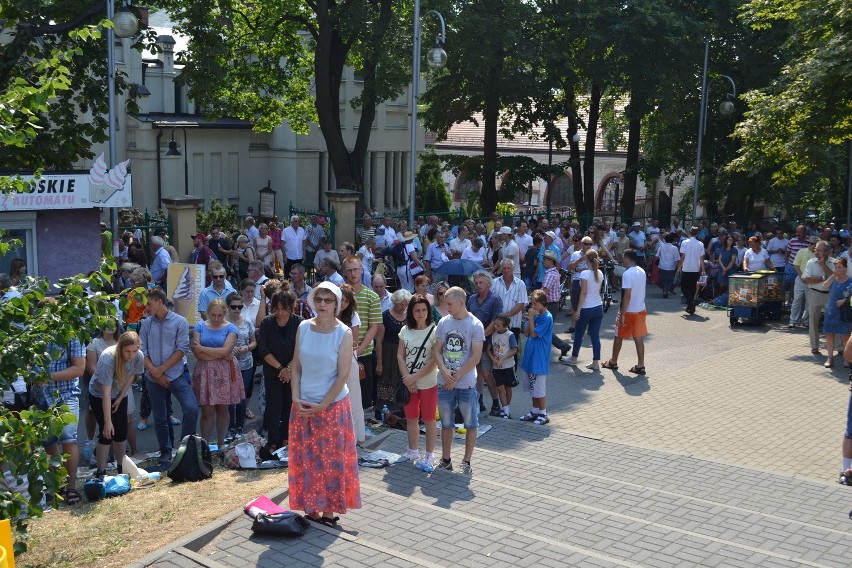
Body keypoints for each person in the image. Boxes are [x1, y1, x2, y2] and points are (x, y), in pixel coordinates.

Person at [288, 282, 361, 527]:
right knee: (308, 458)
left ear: (337, 304)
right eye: (318, 299)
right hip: (303, 406)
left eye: (328, 300)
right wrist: (295, 397)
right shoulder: (303, 328)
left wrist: (323, 405)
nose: (322, 304)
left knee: (331, 461)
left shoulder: (344, 332)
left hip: (332, 407)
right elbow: (296, 366)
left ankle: (330, 512)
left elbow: (342, 375)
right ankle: (312, 508)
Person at [140, 287, 199, 468]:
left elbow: (182, 350)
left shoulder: (179, 322)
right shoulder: (146, 323)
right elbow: (143, 351)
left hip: (176, 374)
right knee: (160, 417)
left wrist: (161, 370)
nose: (147, 307)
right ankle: (165, 451)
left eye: (149, 304)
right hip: (153, 377)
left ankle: (185, 449)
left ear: (160, 302)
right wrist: (155, 374)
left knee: (191, 409)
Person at [32, 313, 86, 504]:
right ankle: (59, 486)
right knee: (49, 444)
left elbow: (79, 369)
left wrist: (47, 377)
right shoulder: (33, 335)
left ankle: (71, 488)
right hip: (40, 397)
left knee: (68, 440)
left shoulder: (71, 334)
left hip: (65, 395)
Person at [433, 286, 484, 475]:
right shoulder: (444, 322)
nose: (446, 307)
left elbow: (476, 357)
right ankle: (446, 459)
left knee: (471, 423)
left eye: (449, 303)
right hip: (445, 382)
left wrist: (456, 376)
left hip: (466, 383)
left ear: (461, 303)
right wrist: (444, 371)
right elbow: (437, 350)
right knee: (446, 423)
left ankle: (467, 461)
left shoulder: (475, 325)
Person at [88, 331, 144, 477]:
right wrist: (107, 422)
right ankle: (101, 471)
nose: (131, 355)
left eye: (134, 351)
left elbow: (132, 375)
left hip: (119, 392)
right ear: (120, 348)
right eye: (127, 351)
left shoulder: (139, 356)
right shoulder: (108, 358)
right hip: (100, 394)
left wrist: (120, 397)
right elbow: (105, 393)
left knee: (121, 432)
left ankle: (121, 468)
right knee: (107, 433)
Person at [191, 298, 243, 449]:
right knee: (207, 411)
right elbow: (197, 353)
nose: (216, 319)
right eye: (213, 315)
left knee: (223, 409)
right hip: (206, 371)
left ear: (224, 314)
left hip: (225, 373)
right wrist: (220, 354)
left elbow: (225, 350)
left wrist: (203, 348)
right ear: (208, 313)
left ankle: (221, 443)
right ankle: (204, 444)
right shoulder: (200, 326)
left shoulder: (231, 328)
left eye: (219, 316)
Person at [256, 288, 302, 459]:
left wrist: (289, 369)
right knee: (273, 408)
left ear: (291, 307)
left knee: (290, 407)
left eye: (284, 308)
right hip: (272, 371)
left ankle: (287, 439)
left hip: (293, 371)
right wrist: (280, 368)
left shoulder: (299, 323)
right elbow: (263, 349)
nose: (280, 312)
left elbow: (301, 349)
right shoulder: (267, 323)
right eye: (277, 308)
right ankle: (273, 440)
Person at [397, 294, 439, 466]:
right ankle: (413, 450)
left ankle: (429, 454)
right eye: (417, 310)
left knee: (429, 419)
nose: (421, 313)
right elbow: (400, 356)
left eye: (424, 310)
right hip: (409, 382)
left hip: (428, 382)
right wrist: (408, 378)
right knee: (411, 418)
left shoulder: (434, 331)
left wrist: (414, 377)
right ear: (411, 312)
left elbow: (434, 360)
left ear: (428, 311)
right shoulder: (405, 330)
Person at [342, 256, 383, 412]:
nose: (353, 274)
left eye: (355, 269)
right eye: (349, 270)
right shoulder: (338, 295)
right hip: (340, 353)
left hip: (362, 355)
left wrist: (357, 351)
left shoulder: (371, 296)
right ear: (345, 273)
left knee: (363, 400)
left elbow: (373, 327)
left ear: (361, 270)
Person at [602, 250, 648, 374]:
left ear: (627, 258)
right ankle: (641, 365)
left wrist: (622, 314)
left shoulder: (627, 274)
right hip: (640, 309)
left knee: (619, 335)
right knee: (638, 337)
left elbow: (626, 296)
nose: (622, 259)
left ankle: (613, 361)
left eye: (623, 257)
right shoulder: (641, 271)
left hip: (628, 311)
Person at [467, 271, 503, 416]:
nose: (478, 285)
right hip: (473, 343)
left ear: (488, 283)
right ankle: (479, 401)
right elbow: (468, 317)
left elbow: (495, 322)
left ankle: (496, 403)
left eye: (481, 282)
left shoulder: (495, 299)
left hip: (487, 343)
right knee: (476, 374)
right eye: (476, 283)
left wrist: (479, 337)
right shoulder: (472, 298)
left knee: (487, 374)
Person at [564, 249, 604, 369]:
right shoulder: (600, 273)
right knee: (595, 335)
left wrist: (578, 310)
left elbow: (583, 293)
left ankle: (574, 358)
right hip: (598, 307)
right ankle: (596, 362)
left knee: (579, 334)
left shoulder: (584, 274)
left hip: (587, 308)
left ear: (586, 259)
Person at [518, 290, 553, 425]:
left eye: (535, 303)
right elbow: (526, 333)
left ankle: (543, 413)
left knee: (539, 387)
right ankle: (534, 411)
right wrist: (529, 318)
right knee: (532, 387)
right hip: (530, 357)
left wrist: (532, 318)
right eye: (532, 303)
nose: (533, 306)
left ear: (543, 303)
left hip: (539, 358)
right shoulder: (536, 315)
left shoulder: (547, 318)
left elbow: (534, 334)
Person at [224, 292, 256, 439]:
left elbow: (254, 342)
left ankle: (239, 427)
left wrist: (246, 348)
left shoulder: (247, 322)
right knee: (230, 397)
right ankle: (230, 428)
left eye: (240, 307)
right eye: (234, 307)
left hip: (246, 364)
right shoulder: (223, 323)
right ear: (228, 307)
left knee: (242, 397)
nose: (237, 309)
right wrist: (229, 349)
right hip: (228, 364)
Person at [375, 289, 412, 416]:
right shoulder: (385, 316)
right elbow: (379, 341)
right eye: (400, 304)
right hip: (388, 354)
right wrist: (379, 363)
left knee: (403, 380)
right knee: (386, 380)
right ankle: (385, 412)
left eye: (405, 304)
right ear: (394, 302)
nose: (403, 307)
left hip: (405, 354)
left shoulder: (409, 317)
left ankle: (401, 411)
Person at [337, 285, 365, 442]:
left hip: (349, 358)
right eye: (341, 300)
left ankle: (354, 436)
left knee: (352, 395)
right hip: (331, 360)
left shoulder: (353, 315)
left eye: (346, 301)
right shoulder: (328, 314)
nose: (343, 303)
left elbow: (355, 342)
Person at [802, 241, 836, 355]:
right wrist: (822, 277)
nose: (816, 252)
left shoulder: (834, 262)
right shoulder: (811, 262)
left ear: (827, 251)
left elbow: (834, 278)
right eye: (816, 250)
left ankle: (838, 347)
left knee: (832, 321)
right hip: (814, 293)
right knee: (813, 321)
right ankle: (814, 346)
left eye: (819, 250)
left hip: (829, 295)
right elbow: (807, 279)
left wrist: (823, 265)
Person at [540, 250, 572, 359]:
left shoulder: (550, 275)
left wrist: (534, 303)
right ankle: (562, 346)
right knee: (544, 330)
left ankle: (563, 346)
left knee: (543, 330)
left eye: (544, 259)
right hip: (552, 304)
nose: (542, 261)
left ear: (550, 261)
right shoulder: (553, 273)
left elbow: (544, 293)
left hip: (549, 305)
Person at [821, 258, 852, 367]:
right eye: (836, 267)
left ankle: (846, 358)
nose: (837, 269)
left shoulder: (850, 281)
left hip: (844, 312)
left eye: (840, 267)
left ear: (845, 268)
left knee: (845, 336)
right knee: (830, 335)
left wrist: (844, 300)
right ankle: (829, 358)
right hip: (831, 310)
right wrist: (833, 275)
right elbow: (825, 286)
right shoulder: (833, 279)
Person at [488, 314, 518, 419]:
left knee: (508, 388)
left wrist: (502, 359)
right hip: (497, 368)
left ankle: (507, 409)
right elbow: (488, 349)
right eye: (495, 324)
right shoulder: (493, 335)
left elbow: (514, 349)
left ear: (505, 326)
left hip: (508, 366)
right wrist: (494, 360)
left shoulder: (510, 335)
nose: (495, 326)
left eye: (498, 325)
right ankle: (506, 411)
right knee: (500, 388)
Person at [788, 236, 819, 328]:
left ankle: (806, 320)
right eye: (809, 243)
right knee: (797, 300)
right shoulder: (802, 251)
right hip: (801, 279)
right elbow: (796, 265)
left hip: (812, 281)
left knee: (809, 302)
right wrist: (801, 276)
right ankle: (792, 320)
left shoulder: (818, 254)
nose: (810, 245)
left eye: (812, 243)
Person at [677, 227, 706, 315]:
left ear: (689, 232)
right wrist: (703, 269)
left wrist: (679, 266)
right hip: (695, 268)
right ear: (697, 233)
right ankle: (690, 305)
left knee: (684, 287)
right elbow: (701, 258)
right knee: (692, 287)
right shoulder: (700, 244)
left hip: (686, 268)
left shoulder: (685, 242)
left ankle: (691, 301)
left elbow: (683, 256)